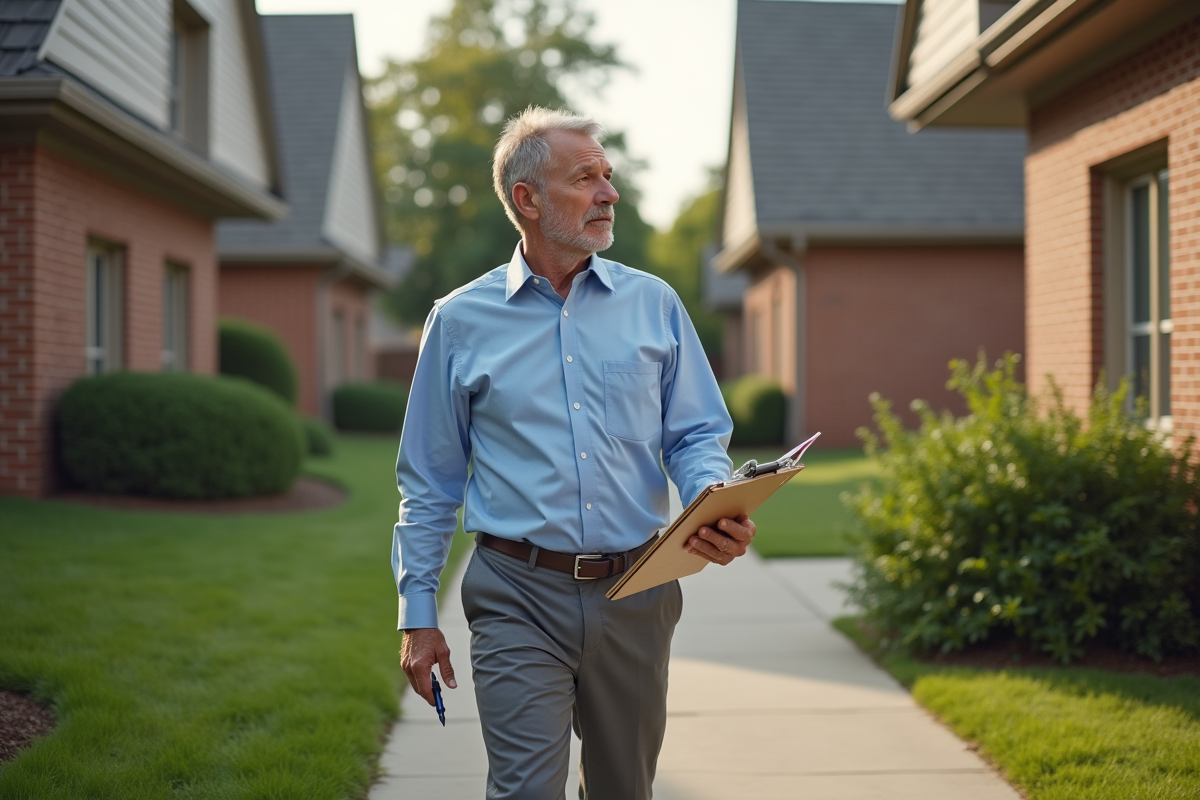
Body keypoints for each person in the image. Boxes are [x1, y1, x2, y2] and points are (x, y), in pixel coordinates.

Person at [393, 106, 757, 800]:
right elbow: (431, 480)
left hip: (637, 591)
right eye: (585, 177)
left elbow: (695, 435)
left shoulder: (655, 305)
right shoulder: (459, 321)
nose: (608, 193)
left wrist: (711, 501)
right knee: (525, 789)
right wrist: (416, 614)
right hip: (516, 592)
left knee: (624, 788)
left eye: (608, 176)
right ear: (527, 200)